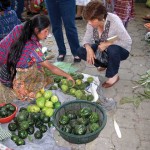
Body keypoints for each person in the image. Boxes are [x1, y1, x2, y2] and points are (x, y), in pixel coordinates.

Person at [0, 14, 74, 102]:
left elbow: (3, 45)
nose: (48, 34)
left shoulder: (21, 28)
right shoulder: (33, 47)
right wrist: (67, 75)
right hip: (9, 77)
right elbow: (51, 68)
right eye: (46, 31)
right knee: (31, 94)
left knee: (37, 69)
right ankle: (13, 87)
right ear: (36, 30)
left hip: (5, 67)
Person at [77, 1, 132, 88]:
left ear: (100, 18)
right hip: (102, 48)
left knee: (112, 49)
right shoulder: (91, 23)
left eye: (91, 20)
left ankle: (114, 76)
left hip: (121, 49)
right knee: (81, 51)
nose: (89, 23)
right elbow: (86, 39)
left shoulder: (114, 21)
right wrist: (88, 48)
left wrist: (107, 44)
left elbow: (127, 41)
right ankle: (103, 64)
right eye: (88, 20)